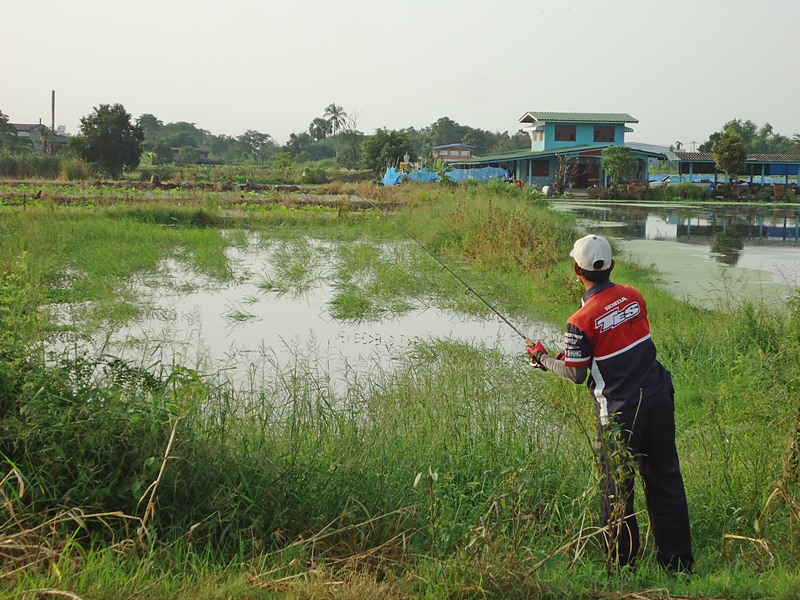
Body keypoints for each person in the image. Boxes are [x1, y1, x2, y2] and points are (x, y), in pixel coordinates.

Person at [526, 234, 693, 573]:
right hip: (659, 397)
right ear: (611, 266)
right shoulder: (634, 294)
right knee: (666, 482)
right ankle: (677, 565)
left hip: (620, 414)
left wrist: (542, 358)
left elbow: (575, 374)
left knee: (618, 490)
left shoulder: (580, 320)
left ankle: (623, 567)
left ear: (577, 270)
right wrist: (576, 356)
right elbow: (620, 342)